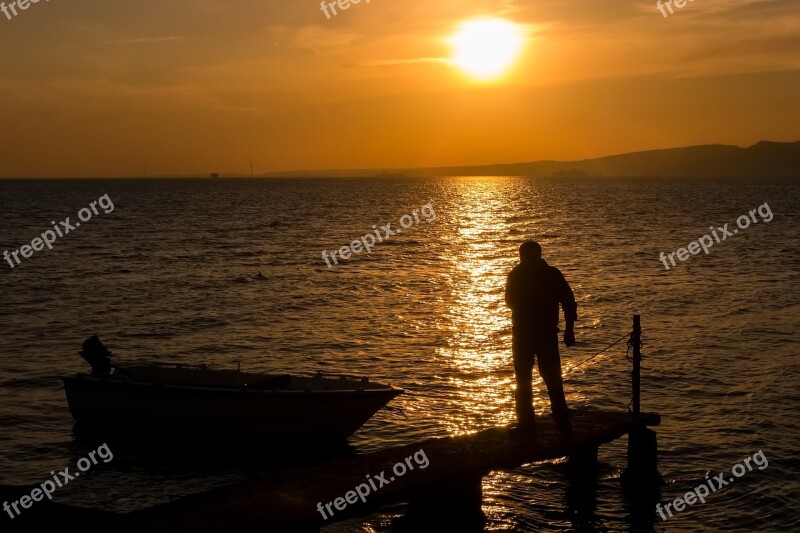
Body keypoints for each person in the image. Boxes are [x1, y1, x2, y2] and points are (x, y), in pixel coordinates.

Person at [505, 241, 577, 440]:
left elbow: (569, 302)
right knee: (534, 380)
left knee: (545, 379)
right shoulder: (537, 274)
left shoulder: (537, 274)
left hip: (534, 334)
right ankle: (535, 425)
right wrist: (569, 331)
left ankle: (545, 424)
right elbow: (569, 303)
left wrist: (569, 330)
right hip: (531, 334)